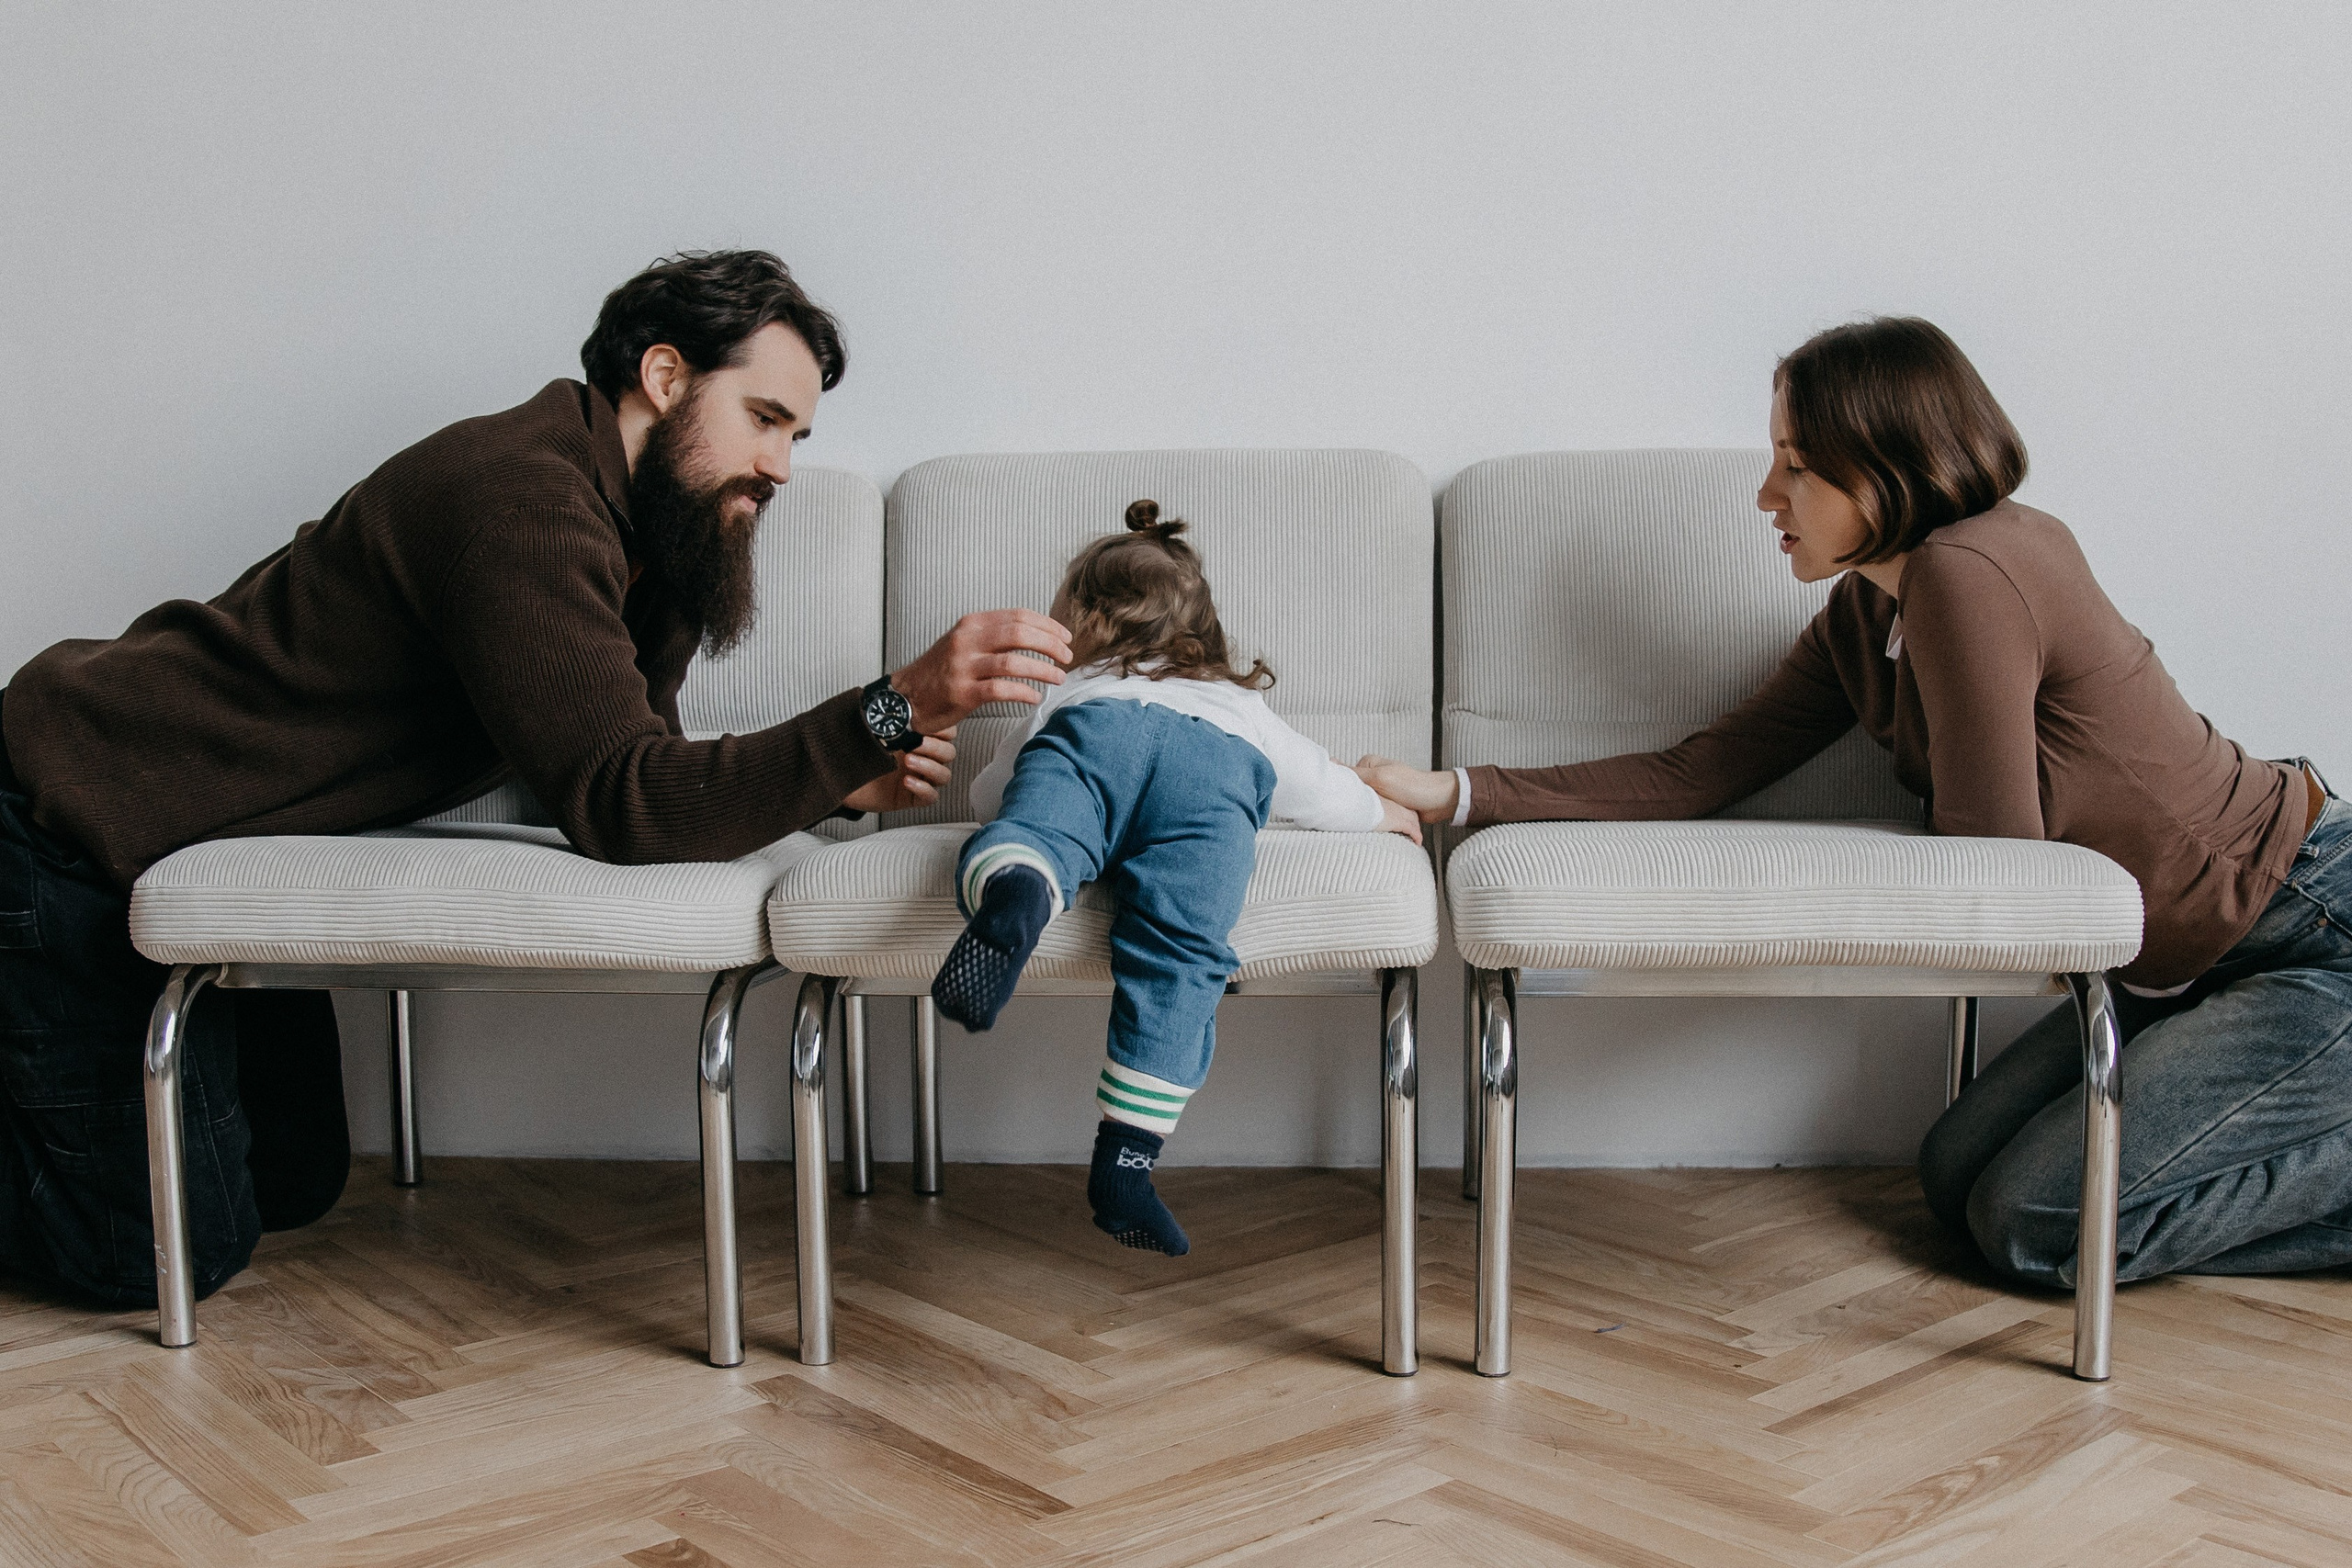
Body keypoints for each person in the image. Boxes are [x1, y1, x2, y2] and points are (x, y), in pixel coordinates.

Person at [0, 249, 1073, 1308]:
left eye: (796, 435)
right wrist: (887, 706)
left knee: (294, 1181)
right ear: (663, 378)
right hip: (70, 813)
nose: (782, 466)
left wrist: (839, 784)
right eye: (764, 418)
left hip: (201, 840)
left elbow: (640, 748)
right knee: (153, 1258)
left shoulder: (652, 529)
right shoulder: (518, 495)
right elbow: (625, 801)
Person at [1358, 316, 2346, 1291]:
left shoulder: (1974, 569)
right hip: (2176, 962)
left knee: (2031, 1223)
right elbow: (1703, 770)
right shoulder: (1864, 612)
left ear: (1882, 464)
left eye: (1795, 466)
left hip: (2303, 925)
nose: (1763, 495)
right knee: (1957, 1173)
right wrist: (1458, 791)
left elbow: (1999, 852)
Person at [930, 501, 1421, 1255]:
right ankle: (1125, 1163)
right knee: (1181, 955)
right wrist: (1383, 814)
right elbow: (1320, 785)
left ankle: (1022, 891)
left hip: (1092, 742)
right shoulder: (1239, 703)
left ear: (1082, 625)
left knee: (1031, 836)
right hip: (1211, 773)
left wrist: (1029, 817)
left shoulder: (1072, 690)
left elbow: (993, 795)